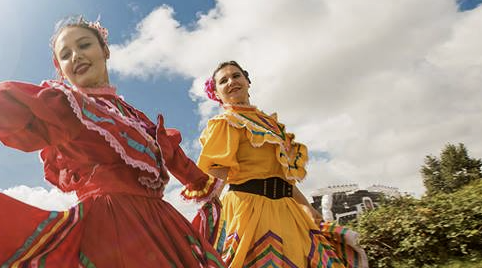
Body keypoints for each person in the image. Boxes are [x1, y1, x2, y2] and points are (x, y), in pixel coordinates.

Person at [0, 16, 225, 268]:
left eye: (84, 45)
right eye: (65, 54)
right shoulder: (66, 106)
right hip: (111, 224)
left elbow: (175, 156)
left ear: (105, 51)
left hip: (164, 223)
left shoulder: (137, 119)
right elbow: (12, 106)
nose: (75, 56)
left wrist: (204, 183)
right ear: (60, 68)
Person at [197, 60, 368, 268]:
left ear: (247, 81)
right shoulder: (225, 123)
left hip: (287, 209)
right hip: (248, 210)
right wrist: (206, 214)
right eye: (223, 80)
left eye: (236, 76)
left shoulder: (271, 126)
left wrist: (306, 207)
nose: (231, 81)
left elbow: (283, 177)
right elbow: (215, 174)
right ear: (217, 93)